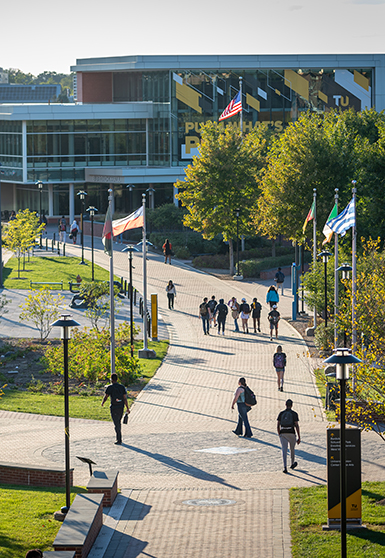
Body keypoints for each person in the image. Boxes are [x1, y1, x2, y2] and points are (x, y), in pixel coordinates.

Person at [101, 373, 130, 445]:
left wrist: (103, 403)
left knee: (116, 423)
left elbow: (106, 397)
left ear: (111, 379)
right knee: (118, 422)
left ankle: (119, 439)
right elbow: (125, 398)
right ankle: (119, 437)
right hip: (121, 406)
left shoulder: (110, 388)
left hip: (114, 407)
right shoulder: (122, 387)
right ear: (117, 379)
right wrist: (127, 408)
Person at [277, 399, 300, 473]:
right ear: (292, 405)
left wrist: (279, 434)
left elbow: (278, 425)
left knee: (284, 449)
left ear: (285, 405)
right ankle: (292, 463)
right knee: (292, 449)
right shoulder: (294, 414)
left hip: (283, 432)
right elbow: (296, 425)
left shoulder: (281, 413)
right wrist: (299, 437)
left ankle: (284, 467)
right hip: (291, 432)